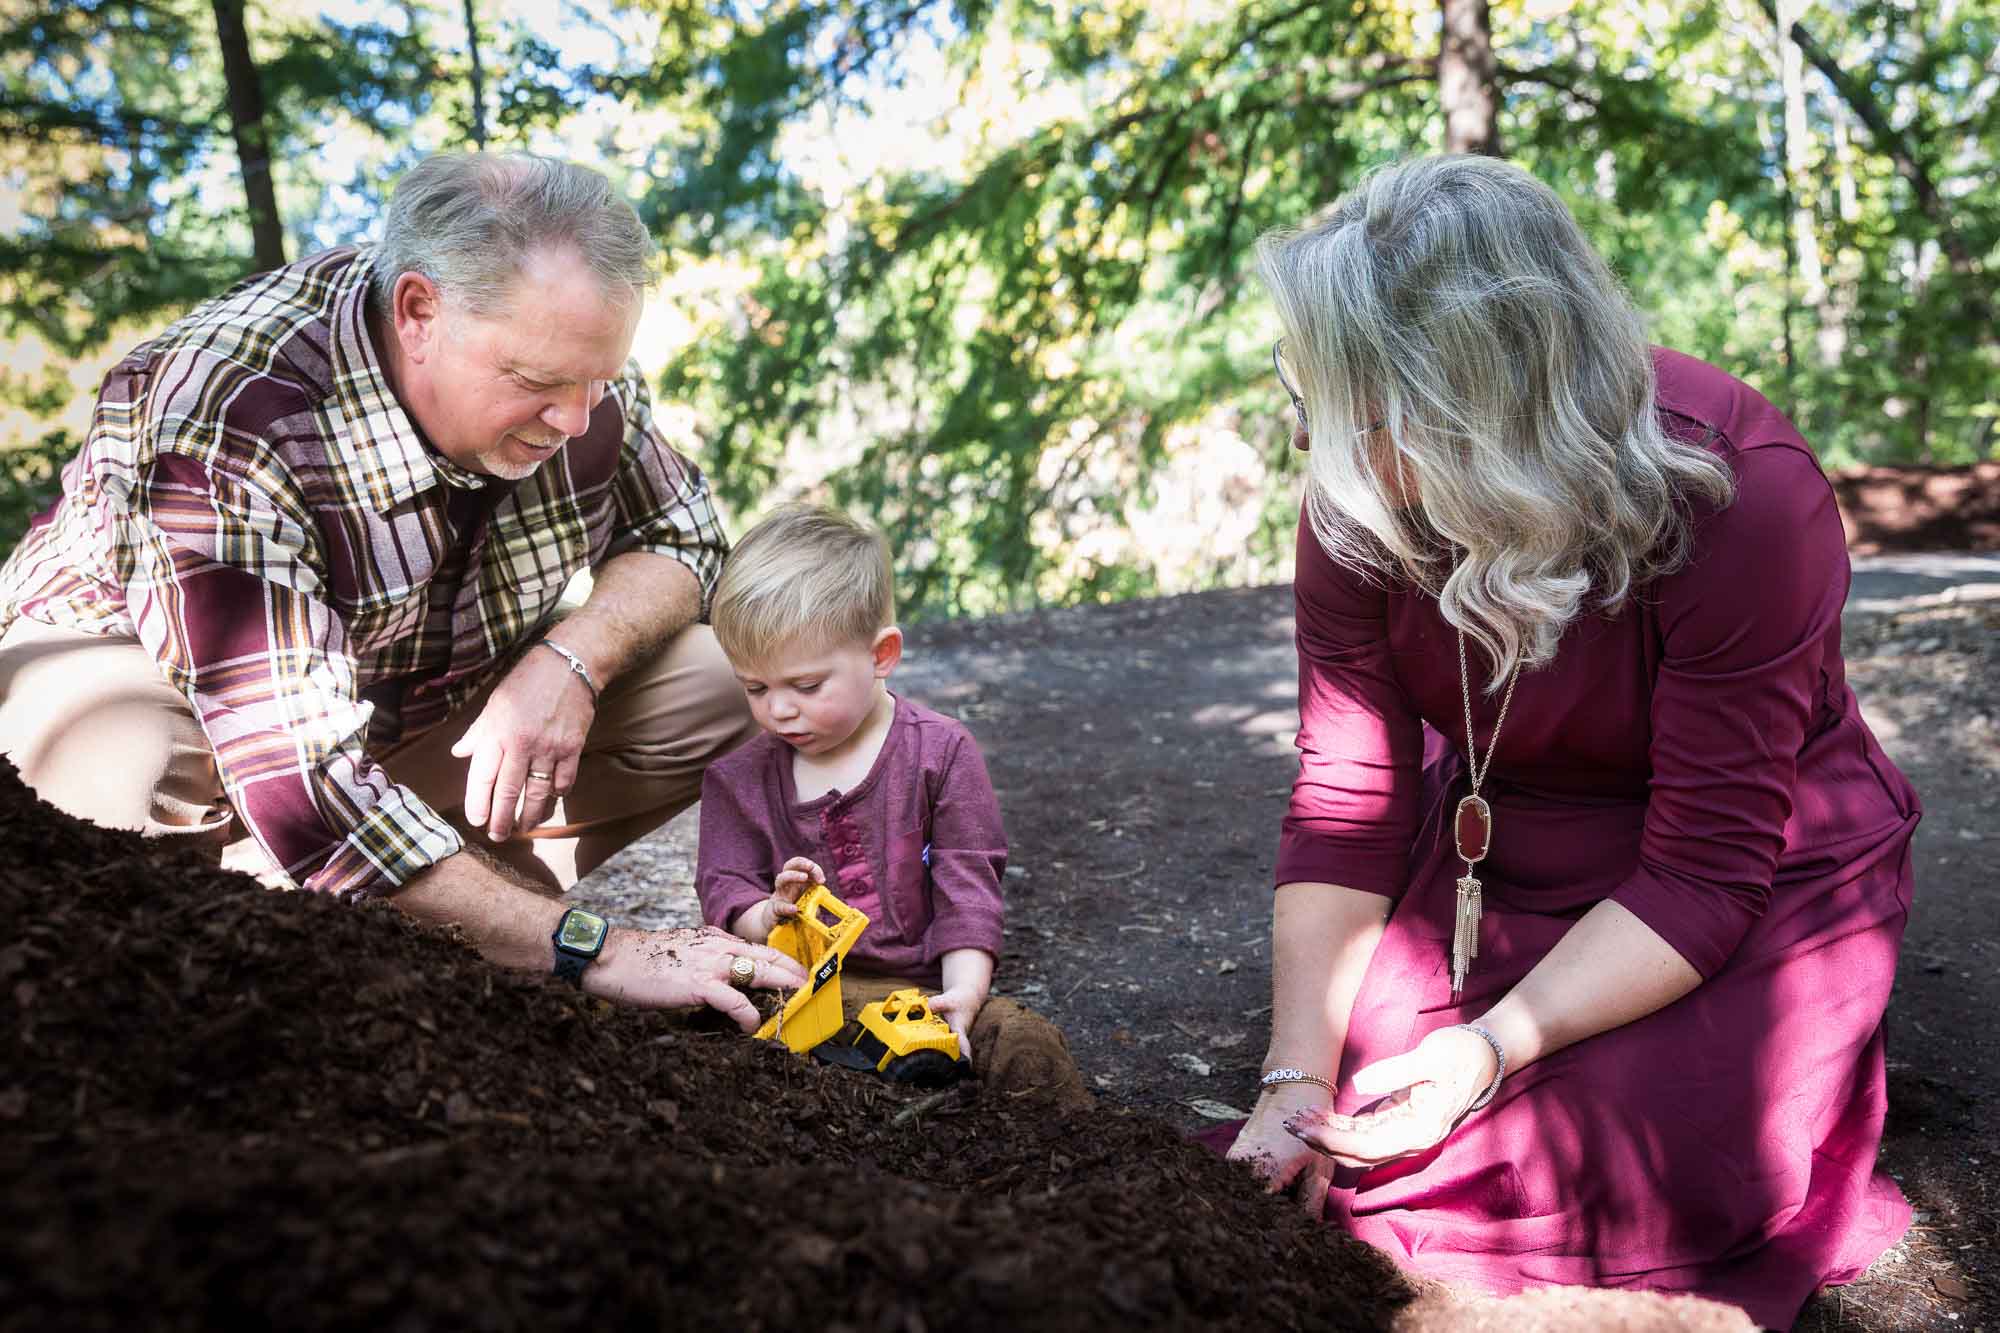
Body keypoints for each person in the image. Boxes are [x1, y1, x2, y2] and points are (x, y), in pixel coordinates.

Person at [1204, 155, 1919, 1329]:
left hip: (1736, 865)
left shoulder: (1740, 495)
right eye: (1307, 390)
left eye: (1347, 406)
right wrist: (1292, 1075)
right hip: (1502, 832)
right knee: (1357, 1099)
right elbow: (1349, 793)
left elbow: (1704, 865)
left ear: (1477, 404)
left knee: (1645, 1161)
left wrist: (1487, 1049)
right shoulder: (1358, 487)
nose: (1306, 439)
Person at [0, 152, 804, 1022]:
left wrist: (572, 658)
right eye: (537, 384)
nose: (576, 420)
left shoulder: (565, 359)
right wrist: (595, 946)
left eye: (597, 381)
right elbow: (301, 779)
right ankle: (329, 909)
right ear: (420, 311)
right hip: (173, 711)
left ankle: (407, 904)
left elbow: (683, 535)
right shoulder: (226, 411)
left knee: (726, 677)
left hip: (390, 725)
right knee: (117, 768)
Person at [695, 503, 1090, 1104]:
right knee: (703, 1020)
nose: (777, 709)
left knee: (1023, 1045)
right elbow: (723, 888)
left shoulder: (941, 753)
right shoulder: (738, 780)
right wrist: (769, 915)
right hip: (798, 988)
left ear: (881, 655)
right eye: (754, 687)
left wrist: (964, 995)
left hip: (921, 998)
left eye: (805, 686)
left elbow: (967, 887)